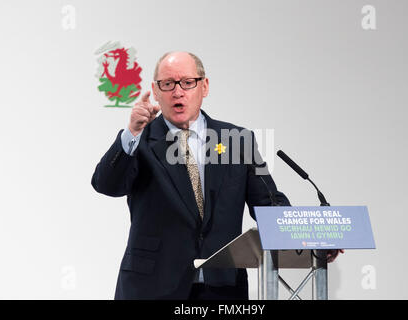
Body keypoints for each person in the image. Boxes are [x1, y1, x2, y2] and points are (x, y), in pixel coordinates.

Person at [91, 51, 342, 300]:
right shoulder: (139, 140)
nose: (178, 91)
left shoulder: (238, 141)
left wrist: (312, 238)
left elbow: (269, 204)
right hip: (151, 287)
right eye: (167, 84)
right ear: (155, 91)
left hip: (222, 289)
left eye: (187, 83)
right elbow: (106, 184)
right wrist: (131, 133)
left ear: (204, 86)